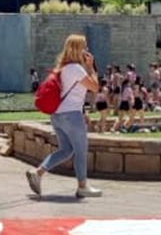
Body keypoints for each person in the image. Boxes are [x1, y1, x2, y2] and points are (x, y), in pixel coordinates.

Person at [25, 34, 103, 199]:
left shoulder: (62, 68)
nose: (87, 50)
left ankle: (37, 173)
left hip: (58, 115)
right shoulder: (76, 69)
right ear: (78, 49)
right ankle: (83, 186)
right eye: (85, 47)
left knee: (66, 150)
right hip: (71, 115)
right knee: (81, 151)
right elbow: (95, 87)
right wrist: (91, 67)